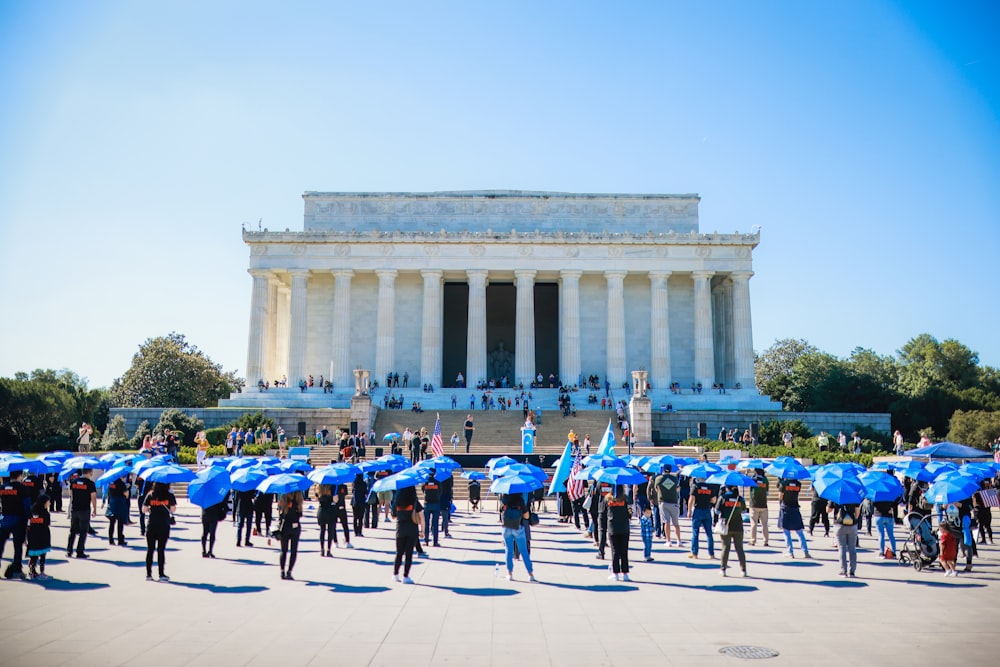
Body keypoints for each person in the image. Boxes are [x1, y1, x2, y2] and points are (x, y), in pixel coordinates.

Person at [142, 481, 176, 581]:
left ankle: (148, 574)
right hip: (164, 525)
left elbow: (143, 509)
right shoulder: (170, 495)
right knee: (161, 550)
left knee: (150, 550)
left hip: (151, 525)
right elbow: (173, 509)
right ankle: (161, 574)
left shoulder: (150, 494)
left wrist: (150, 509)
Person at [0, 470, 31, 578]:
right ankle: (17, 570)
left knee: (1, 544)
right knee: (18, 546)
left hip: (5, 519)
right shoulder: (22, 488)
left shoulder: (3, 487)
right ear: (20, 476)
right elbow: (27, 506)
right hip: (19, 520)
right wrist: (29, 520)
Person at [500, 492, 536, 582]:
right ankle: (530, 573)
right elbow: (526, 515)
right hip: (518, 527)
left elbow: (501, 510)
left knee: (508, 550)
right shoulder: (520, 500)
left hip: (506, 527)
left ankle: (509, 573)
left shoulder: (504, 497)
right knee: (524, 551)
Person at [715, 484, 748, 577]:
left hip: (726, 526)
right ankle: (743, 570)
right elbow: (744, 511)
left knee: (725, 548)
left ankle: (723, 569)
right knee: (739, 549)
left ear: (727, 488)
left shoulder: (723, 497)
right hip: (738, 526)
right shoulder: (740, 499)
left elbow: (716, 511)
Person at [392, 486, 423, 583]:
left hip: (400, 529)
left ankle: (395, 574)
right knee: (409, 554)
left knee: (399, 553)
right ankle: (406, 576)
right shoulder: (414, 502)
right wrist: (422, 531)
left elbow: (393, 516)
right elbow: (422, 516)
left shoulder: (397, 502)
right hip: (412, 530)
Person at [66, 468, 97, 559]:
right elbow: (93, 497)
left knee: (72, 531)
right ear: (90, 473)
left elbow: (70, 493)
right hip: (84, 509)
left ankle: (69, 550)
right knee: (83, 531)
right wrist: (95, 509)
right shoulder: (90, 483)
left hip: (75, 509)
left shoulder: (74, 481)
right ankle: (79, 551)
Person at [777, 477, 811, 558]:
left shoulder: (783, 484)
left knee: (786, 530)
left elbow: (780, 496)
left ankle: (790, 552)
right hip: (795, 507)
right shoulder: (798, 484)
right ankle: (805, 551)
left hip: (785, 508)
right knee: (799, 531)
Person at [604, 486, 632, 581]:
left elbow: (604, 513)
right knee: (624, 551)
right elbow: (629, 514)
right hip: (624, 527)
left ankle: (615, 573)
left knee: (615, 551)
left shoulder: (608, 499)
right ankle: (625, 573)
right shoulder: (625, 499)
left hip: (612, 527)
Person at [687, 476, 716, 559]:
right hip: (707, 510)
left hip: (698, 510)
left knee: (695, 532)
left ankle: (695, 553)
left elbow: (691, 499)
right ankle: (711, 554)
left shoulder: (695, 486)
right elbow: (714, 500)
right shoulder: (710, 487)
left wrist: (689, 511)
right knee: (709, 533)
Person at [278, 491, 304, 580]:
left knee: (283, 550)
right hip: (295, 527)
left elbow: (280, 515)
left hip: (285, 527)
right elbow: (300, 515)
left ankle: (282, 571)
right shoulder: (298, 500)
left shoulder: (283, 498)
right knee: (293, 551)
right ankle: (289, 571)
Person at [654, 465, 682, 547]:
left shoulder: (658, 478)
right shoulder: (674, 478)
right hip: (674, 501)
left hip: (663, 501)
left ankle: (669, 541)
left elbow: (656, 489)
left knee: (666, 522)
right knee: (676, 523)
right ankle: (678, 541)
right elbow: (677, 489)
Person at [26, 494, 52, 580]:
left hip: (32, 536)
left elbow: (28, 524)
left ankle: (32, 572)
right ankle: (42, 572)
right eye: (48, 502)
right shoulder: (45, 513)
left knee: (33, 556)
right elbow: (47, 523)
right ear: (44, 503)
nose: (50, 504)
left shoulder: (31, 511)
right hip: (43, 537)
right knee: (42, 556)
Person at [832, 499, 860, 577]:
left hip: (839, 525)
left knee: (841, 548)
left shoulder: (836, 495)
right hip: (852, 525)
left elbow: (828, 510)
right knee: (852, 549)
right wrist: (854, 520)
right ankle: (852, 571)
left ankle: (843, 570)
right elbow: (857, 512)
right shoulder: (854, 496)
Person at [105, 474, 130, 546]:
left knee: (112, 523)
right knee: (120, 523)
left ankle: (111, 540)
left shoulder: (111, 482)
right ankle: (120, 540)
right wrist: (126, 488)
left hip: (112, 502)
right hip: (120, 503)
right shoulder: (121, 483)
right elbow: (126, 495)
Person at [748, 468, 769, 547]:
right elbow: (767, 492)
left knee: (753, 523)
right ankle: (765, 541)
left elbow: (746, 483)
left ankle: (753, 540)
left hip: (754, 504)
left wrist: (747, 473)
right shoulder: (765, 479)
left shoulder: (753, 479)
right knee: (764, 524)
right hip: (763, 504)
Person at [317, 485, 337, 557]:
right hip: (330, 511)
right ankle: (328, 550)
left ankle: (322, 549)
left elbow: (317, 498)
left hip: (322, 511)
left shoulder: (319, 487)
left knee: (322, 530)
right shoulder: (333, 487)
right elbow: (335, 500)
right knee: (330, 531)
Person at [422, 474, 442, 547]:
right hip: (436, 504)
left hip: (427, 504)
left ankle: (426, 541)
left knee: (426, 523)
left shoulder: (425, 482)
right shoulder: (438, 482)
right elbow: (440, 492)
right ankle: (435, 542)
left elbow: (423, 490)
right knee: (435, 524)